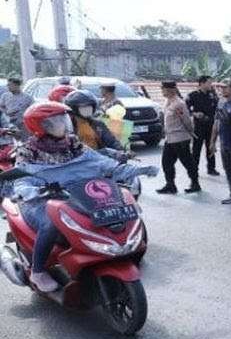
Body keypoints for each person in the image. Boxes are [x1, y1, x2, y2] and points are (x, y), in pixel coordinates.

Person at [8, 102, 157, 292]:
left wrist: (139, 169)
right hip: (40, 199)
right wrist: (31, 191)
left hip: (73, 194)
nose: (62, 124)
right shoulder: (28, 150)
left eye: (63, 119)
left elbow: (102, 163)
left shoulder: (73, 143)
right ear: (39, 126)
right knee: (50, 224)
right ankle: (38, 272)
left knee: (104, 212)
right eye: (54, 121)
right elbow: (21, 181)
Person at [157, 81, 200, 194]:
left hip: (180, 138)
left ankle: (195, 183)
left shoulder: (179, 103)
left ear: (171, 90)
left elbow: (186, 120)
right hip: (170, 138)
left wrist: (191, 132)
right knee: (166, 162)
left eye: (164, 89)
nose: (162, 91)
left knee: (187, 161)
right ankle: (170, 185)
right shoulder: (167, 101)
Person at [63, 90, 127, 160]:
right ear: (74, 109)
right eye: (84, 107)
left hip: (99, 160)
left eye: (90, 107)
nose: (88, 110)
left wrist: (121, 152)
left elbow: (112, 141)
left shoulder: (97, 124)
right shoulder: (66, 127)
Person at [187, 76, 220, 176]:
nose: (211, 85)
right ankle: (194, 170)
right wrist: (194, 114)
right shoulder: (193, 95)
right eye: (209, 83)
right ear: (202, 83)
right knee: (196, 149)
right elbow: (185, 108)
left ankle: (211, 168)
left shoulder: (212, 95)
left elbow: (217, 107)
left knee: (210, 146)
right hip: (199, 126)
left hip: (211, 125)